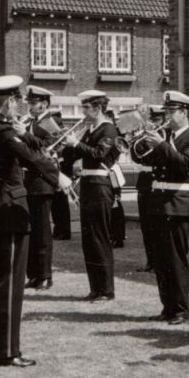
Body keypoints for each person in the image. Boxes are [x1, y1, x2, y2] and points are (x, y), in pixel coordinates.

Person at [0, 75, 71, 366]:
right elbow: (31, 159)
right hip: (10, 214)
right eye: (17, 101)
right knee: (10, 284)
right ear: (10, 101)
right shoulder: (2, 131)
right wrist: (59, 177)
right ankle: (8, 352)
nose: (19, 106)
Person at [134, 91, 189, 324]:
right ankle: (168, 308)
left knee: (176, 260)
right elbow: (142, 159)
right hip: (158, 205)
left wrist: (162, 145)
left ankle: (181, 309)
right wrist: (140, 140)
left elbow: (186, 164)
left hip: (178, 205)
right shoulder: (164, 136)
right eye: (166, 112)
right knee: (161, 260)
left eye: (171, 112)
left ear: (183, 113)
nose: (167, 117)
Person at [62, 90, 120, 302]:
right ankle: (95, 288)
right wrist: (67, 146)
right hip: (87, 185)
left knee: (100, 238)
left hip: (100, 185)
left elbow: (98, 154)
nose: (83, 112)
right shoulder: (91, 129)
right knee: (88, 240)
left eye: (87, 108)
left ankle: (106, 289)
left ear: (98, 108)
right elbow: (77, 154)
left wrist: (76, 143)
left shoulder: (109, 130)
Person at [16, 86, 58, 291]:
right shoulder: (31, 122)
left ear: (45, 104)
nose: (30, 106)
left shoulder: (49, 122)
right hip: (29, 181)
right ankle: (33, 274)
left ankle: (44, 275)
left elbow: (48, 147)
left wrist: (23, 134)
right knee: (31, 230)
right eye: (29, 103)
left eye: (34, 103)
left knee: (41, 232)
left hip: (42, 182)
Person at [135, 105, 165, 272]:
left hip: (157, 182)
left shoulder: (165, 137)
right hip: (144, 183)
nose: (154, 123)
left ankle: (159, 262)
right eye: (152, 120)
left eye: (157, 120)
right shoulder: (146, 136)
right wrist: (136, 140)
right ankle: (150, 261)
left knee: (157, 226)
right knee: (146, 225)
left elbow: (160, 157)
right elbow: (137, 157)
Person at [106, 109, 126, 249]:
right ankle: (112, 234)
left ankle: (118, 236)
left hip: (112, 171)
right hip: (106, 171)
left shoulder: (115, 135)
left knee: (115, 203)